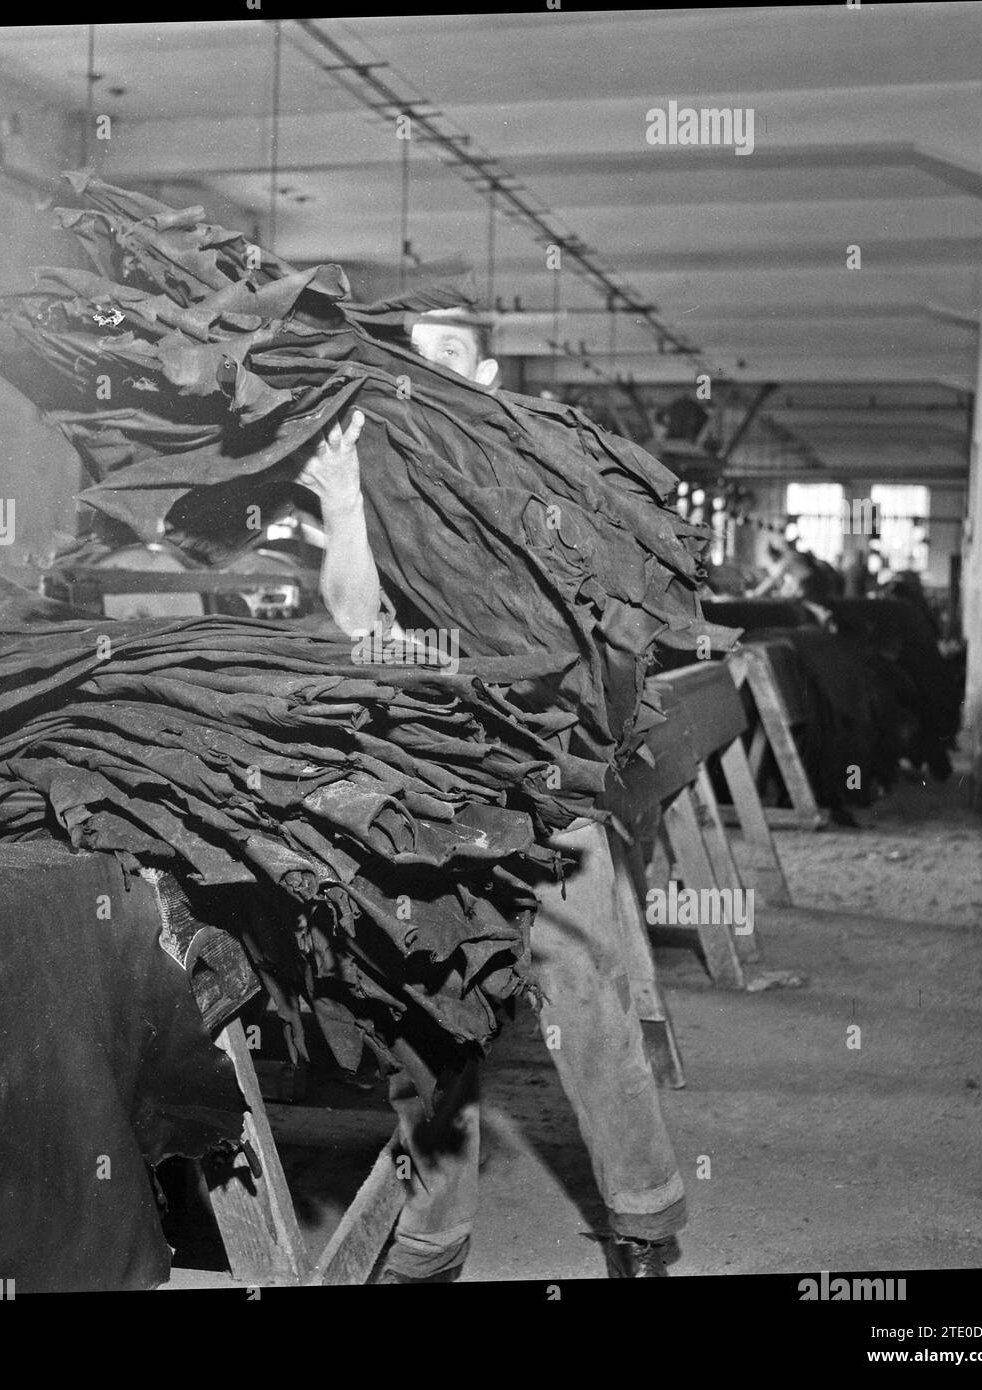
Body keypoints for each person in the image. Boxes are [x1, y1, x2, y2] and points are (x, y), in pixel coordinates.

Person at [293, 308, 686, 1281]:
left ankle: (644, 1219)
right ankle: (430, 1240)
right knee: (432, 1017)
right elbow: (360, 629)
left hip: (553, 785)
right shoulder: (374, 469)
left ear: (491, 369)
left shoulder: (536, 468)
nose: (429, 371)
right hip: (439, 785)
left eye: (452, 354)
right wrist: (344, 500)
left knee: (588, 998)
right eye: (414, 355)